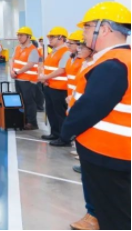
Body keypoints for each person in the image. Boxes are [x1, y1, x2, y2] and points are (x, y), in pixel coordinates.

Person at [61, 2, 131, 230]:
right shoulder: (120, 58)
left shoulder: (113, 64)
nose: (83, 32)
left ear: (106, 29)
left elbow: (91, 107)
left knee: (114, 217)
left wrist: (67, 130)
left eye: (88, 26)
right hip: (114, 151)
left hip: (108, 152)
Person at [68, 39, 98, 231]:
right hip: (81, 122)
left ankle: (95, 215)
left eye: (82, 46)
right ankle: (92, 213)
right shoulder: (87, 63)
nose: (79, 49)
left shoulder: (105, 66)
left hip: (99, 133)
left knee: (98, 179)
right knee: (90, 176)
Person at [38, 26, 71, 147]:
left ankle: (64, 137)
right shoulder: (53, 52)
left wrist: (45, 77)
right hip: (50, 86)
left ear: (61, 38)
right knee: (51, 112)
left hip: (60, 88)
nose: (50, 39)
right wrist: (45, 79)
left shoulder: (66, 52)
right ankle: (55, 133)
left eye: (52, 37)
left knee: (60, 114)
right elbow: (47, 67)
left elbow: (62, 70)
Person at [9, 27, 40, 130]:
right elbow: (12, 60)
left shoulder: (33, 50)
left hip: (28, 80)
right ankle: (24, 120)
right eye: (18, 35)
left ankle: (32, 123)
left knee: (29, 101)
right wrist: (11, 70)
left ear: (28, 37)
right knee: (21, 101)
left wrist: (16, 72)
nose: (19, 37)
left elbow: (30, 65)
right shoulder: (17, 48)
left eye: (21, 35)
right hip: (18, 79)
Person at [31, 36, 45, 112]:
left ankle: (39, 106)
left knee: (38, 91)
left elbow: (40, 64)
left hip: (36, 76)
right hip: (32, 76)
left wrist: (39, 75)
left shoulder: (37, 52)